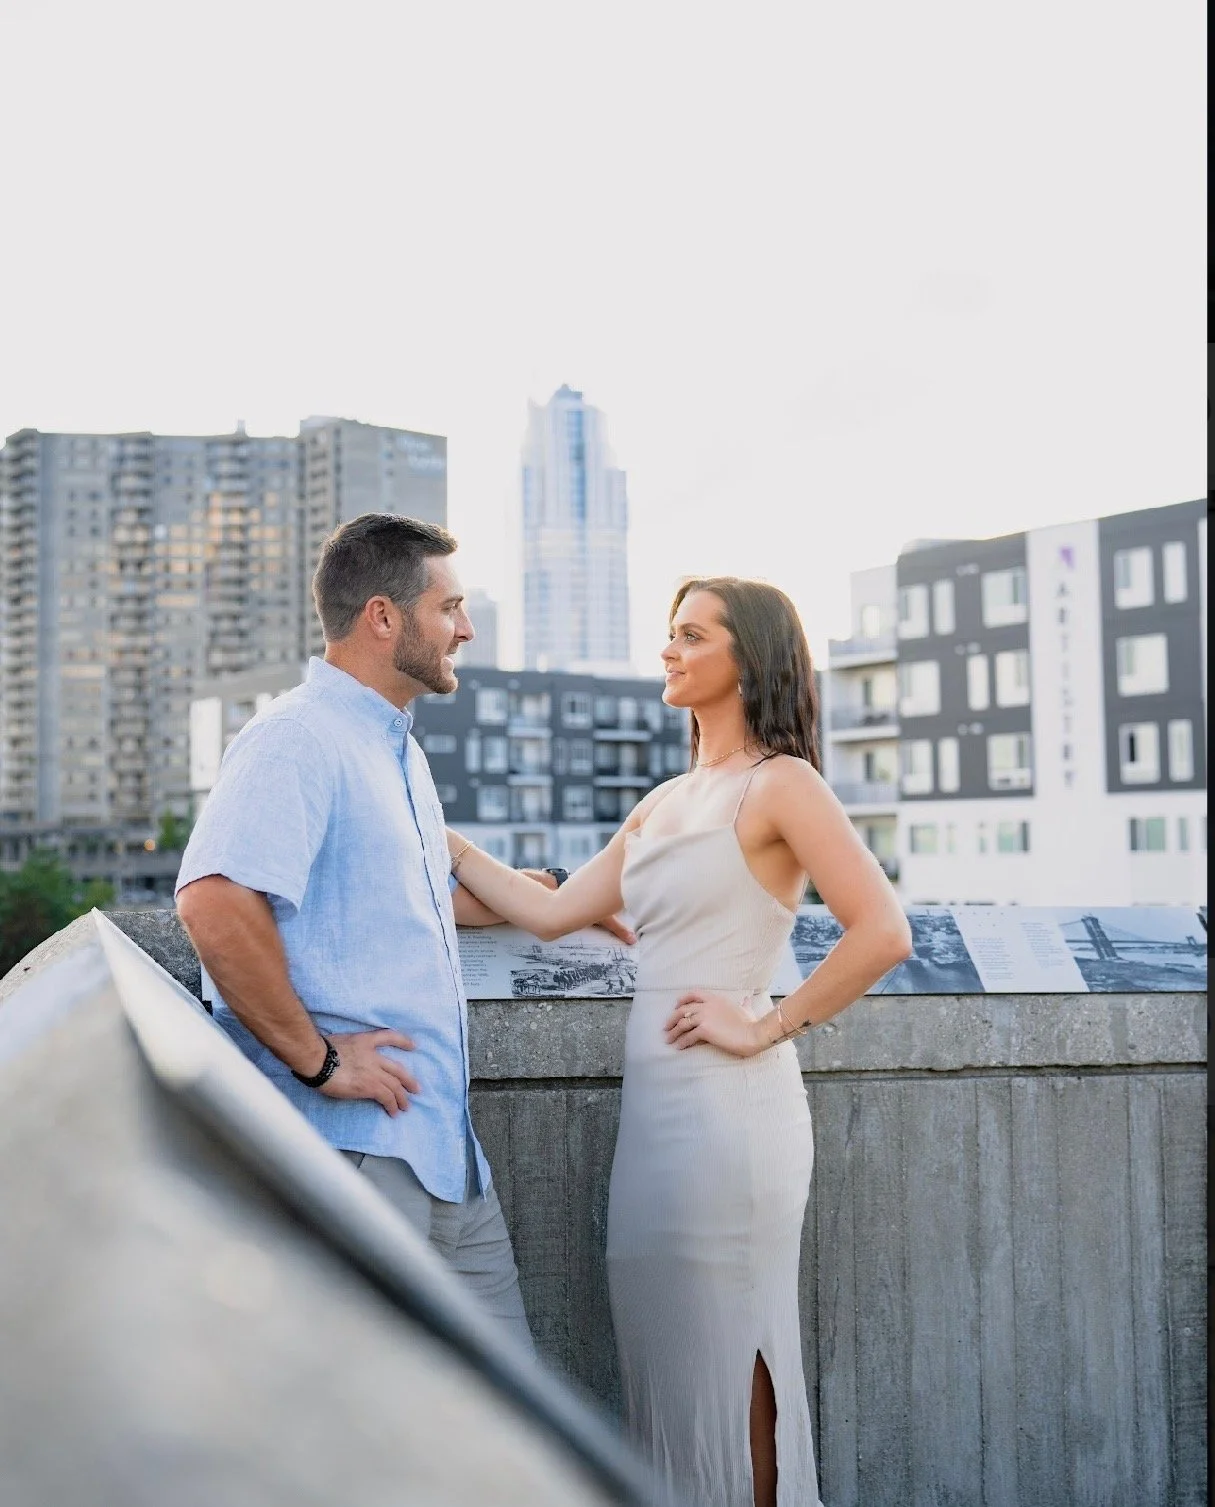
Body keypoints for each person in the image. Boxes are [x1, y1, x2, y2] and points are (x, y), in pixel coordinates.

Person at [442, 576, 912, 1507]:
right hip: (655, 1127)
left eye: (690, 635)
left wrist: (764, 1021)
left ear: (749, 660)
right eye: (669, 633)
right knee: (667, 1374)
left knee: (735, 1362)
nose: (668, 650)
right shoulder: (663, 799)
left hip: (732, 1115)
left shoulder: (782, 784)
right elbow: (551, 910)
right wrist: (442, 840)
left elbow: (882, 931)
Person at [174, 512, 631, 1353]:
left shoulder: (394, 750)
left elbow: (428, 896)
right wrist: (317, 1057)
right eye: (449, 606)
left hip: (443, 1156)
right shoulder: (296, 737)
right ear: (384, 616)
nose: (465, 627)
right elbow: (212, 901)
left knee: (506, 1434)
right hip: (355, 1154)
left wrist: (561, 895)